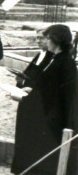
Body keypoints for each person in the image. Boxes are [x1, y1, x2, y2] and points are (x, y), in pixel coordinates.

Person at [11, 24, 78, 175]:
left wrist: (26, 96)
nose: (45, 41)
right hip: (47, 114)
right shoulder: (56, 59)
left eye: (47, 38)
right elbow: (46, 88)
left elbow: (56, 95)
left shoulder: (65, 62)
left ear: (56, 40)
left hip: (54, 118)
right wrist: (30, 90)